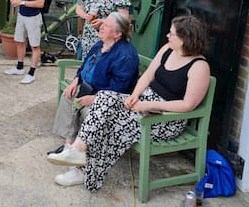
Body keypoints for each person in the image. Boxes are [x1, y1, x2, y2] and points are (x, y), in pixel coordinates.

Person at [48, 15, 210, 190]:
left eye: (172, 34)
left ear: (186, 39)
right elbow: (148, 75)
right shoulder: (167, 50)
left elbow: (188, 105)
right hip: (145, 101)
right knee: (104, 96)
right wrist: (134, 95)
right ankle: (78, 150)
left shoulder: (199, 67)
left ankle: (84, 172)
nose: (167, 36)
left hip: (166, 119)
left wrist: (149, 105)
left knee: (113, 124)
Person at [50, 12, 138, 168]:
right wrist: (76, 81)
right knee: (68, 95)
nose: (101, 26)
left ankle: (82, 153)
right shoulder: (100, 44)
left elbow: (118, 90)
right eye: (103, 23)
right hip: (86, 87)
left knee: (86, 111)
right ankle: (69, 146)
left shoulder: (125, 56)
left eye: (106, 25)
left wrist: (94, 98)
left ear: (117, 34)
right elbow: (84, 66)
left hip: (106, 99)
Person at [2, 0, 45, 84]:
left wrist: (21, 2)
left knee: (35, 46)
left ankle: (31, 73)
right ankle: (19, 67)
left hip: (33, 17)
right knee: (19, 41)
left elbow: (40, 2)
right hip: (22, 15)